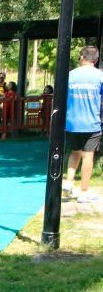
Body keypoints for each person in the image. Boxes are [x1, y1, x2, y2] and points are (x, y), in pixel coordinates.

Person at [62, 46, 102, 203]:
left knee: (74, 152)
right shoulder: (99, 76)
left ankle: (69, 182)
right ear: (96, 59)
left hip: (71, 122)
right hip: (91, 122)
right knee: (88, 156)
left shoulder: (70, 75)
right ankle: (84, 192)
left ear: (81, 57)